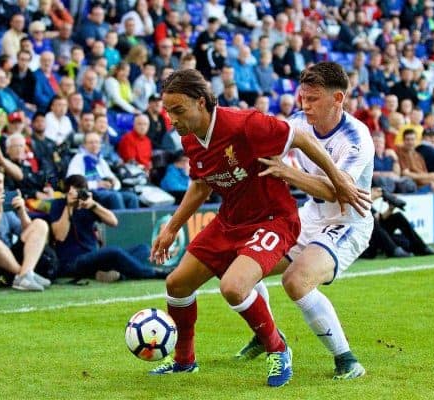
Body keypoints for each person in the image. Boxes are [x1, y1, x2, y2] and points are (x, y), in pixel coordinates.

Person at [148, 68, 367, 387]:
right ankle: (184, 361)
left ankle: (277, 348)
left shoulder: (245, 124)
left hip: (273, 219)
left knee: (234, 286)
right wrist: (171, 228)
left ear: (201, 102)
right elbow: (200, 185)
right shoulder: (190, 137)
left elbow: (302, 138)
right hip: (231, 221)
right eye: (167, 111)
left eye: (178, 110)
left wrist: (337, 180)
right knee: (177, 284)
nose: (172, 118)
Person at [236, 62, 374, 380]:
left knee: (296, 281)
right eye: (302, 97)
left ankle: (347, 360)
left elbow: (339, 192)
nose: (304, 105)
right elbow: (263, 148)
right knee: (243, 265)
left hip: (348, 222)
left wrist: (288, 172)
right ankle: (266, 334)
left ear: (337, 98)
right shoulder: (297, 121)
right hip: (309, 216)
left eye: (312, 99)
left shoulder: (357, 138)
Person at [50, 174, 166, 282]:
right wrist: (69, 207)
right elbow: (59, 236)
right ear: (67, 192)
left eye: (81, 191)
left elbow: (114, 222)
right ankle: (152, 273)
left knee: (143, 249)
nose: (78, 195)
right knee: (113, 251)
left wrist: (93, 205)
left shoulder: (88, 205)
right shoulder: (58, 205)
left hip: (93, 256)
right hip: (72, 262)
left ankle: (119, 275)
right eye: (75, 191)